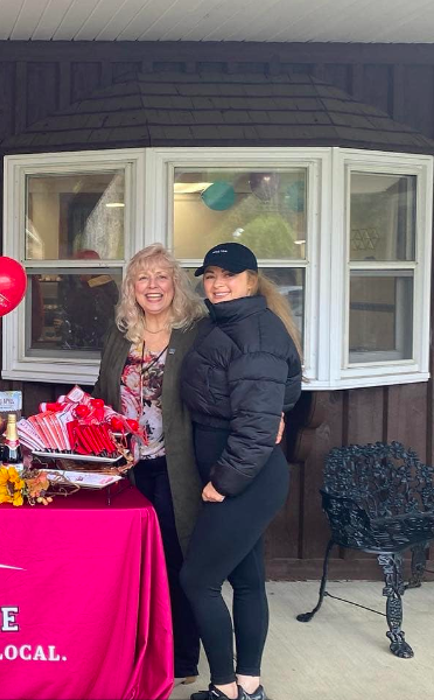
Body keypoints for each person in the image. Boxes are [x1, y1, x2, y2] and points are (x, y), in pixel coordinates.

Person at [179, 242, 303, 700]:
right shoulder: (226, 322)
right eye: (210, 276)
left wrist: (222, 483)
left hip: (245, 474)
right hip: (241, 468)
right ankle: (249, 685)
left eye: (228, 275)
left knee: (198, 580)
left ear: (252, 280)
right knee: (247, 579)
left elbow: (254, 428)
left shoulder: (256, 334)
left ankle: (224, 687)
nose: (218, 284)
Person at [92, 243, 206, 683]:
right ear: (131, 288)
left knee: (176, 560)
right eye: (143, 277)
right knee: (130, 561)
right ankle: (136, 649)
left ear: (175, 284)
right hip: (127, 466)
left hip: (176, 466)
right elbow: (102, 391)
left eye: (162, 276)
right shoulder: (121, 333)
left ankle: (183, 659)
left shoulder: (195, 332)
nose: (152, 285)